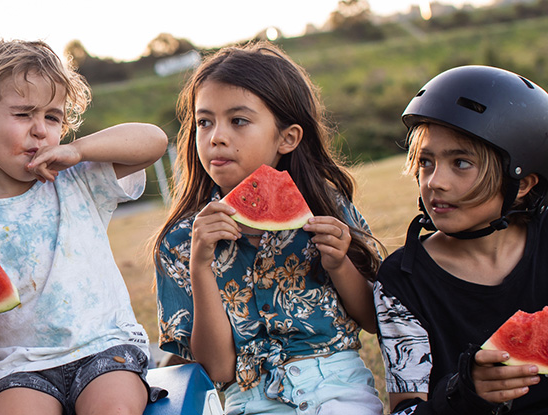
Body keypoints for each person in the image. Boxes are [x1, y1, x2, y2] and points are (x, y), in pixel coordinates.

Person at [0, 39, 169, 415]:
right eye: (23, 115)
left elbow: (154, 141)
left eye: (53, 117)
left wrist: (80, 150)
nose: (41, 130)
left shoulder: (77, 181)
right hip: (20, 368)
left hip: (105, 348)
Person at [152, 42, 385, 415]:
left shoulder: (327, 207)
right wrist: (200, 267)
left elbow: (372, 321)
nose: (216, 137)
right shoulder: (180, 242)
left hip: (337, 385)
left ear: (287, 138)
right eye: (204, 121)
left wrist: (340, 265)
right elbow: (219, 369)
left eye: (238, 121)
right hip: (250, 401)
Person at [374, 65, 548, 415]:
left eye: (461, 163)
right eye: (426, 162)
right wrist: (462, 392)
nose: (434, 182)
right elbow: (406, 409)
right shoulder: (402, 280)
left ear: (523, 183)